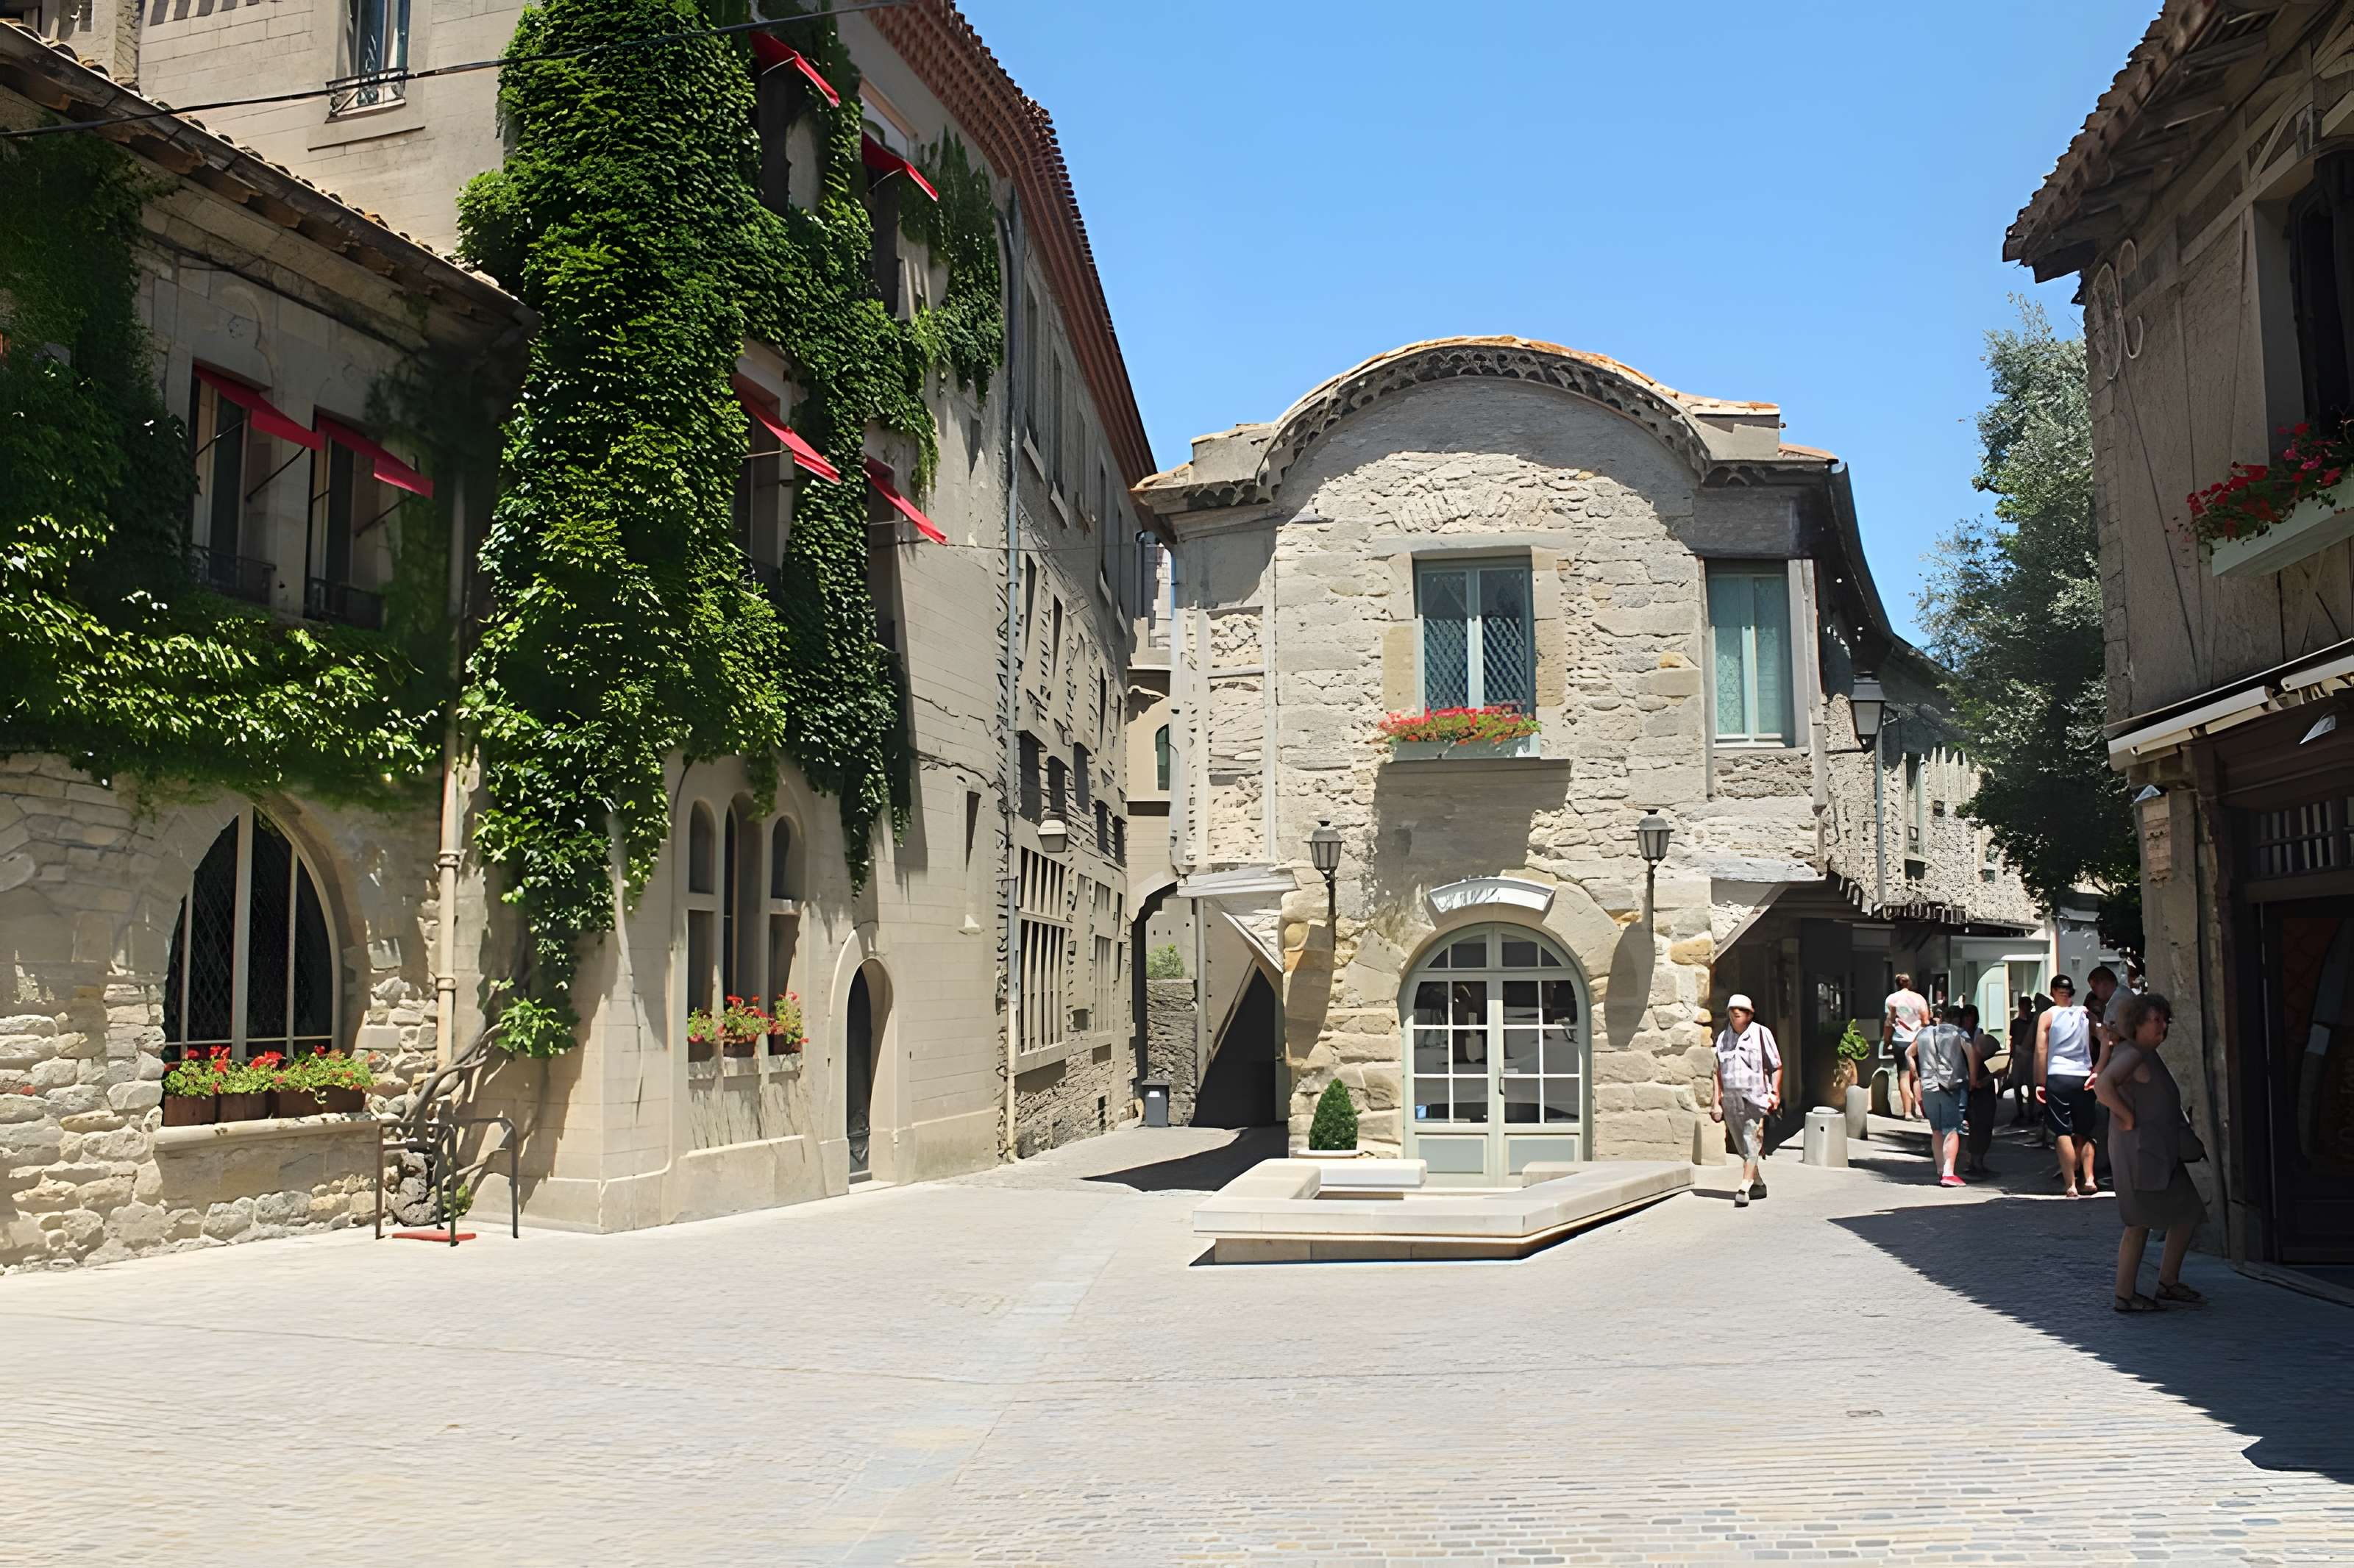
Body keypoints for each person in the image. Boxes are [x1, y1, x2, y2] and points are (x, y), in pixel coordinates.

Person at [2094, 991, 2208, 1313]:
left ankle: (2168, 1282)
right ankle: (2125, 1295)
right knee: (2138, 1223)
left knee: (2186, 1213)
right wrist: (2127, 1116)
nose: (2163, 1027)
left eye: (2164, 1020)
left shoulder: (2142, 1052)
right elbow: (2104, 1087)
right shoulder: (2134, 1055)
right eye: (2155, 1020)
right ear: (2138, 1024)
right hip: (2141, 1154)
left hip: (2159, 1152)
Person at [1710, 993, 1782, 1209]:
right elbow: (1718, 1072)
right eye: (1733, 1010)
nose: (1736, 1013)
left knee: (1753, 1139)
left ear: (1750, 1014)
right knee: (1742, 1145)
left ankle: (1745, 1185)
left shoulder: (1761, 1034)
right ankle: (1758, 1183)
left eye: (1741, 1010)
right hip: (1731, 1100)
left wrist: (1775, 1093)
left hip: (1756, 1098)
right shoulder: (1723, 1038)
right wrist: (1716, 1101)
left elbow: (1776, 1065)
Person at [2036, 974, 2100, 1197]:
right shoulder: (2085, 1013)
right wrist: (2099, 1068)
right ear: (2071, 992)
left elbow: (2041, 1050)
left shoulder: (2048, 1016)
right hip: (2083, 1076)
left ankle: (2071, 1184)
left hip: (2058, 1075)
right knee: (2085, 1131)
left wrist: (2040, 1081)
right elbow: (2105, 1036)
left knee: (2063, 1131)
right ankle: (2090, 1178)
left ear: (2053, 991)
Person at [1910, 1002, 1973, 1186]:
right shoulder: (1959, 1033)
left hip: (1929, 1085)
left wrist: (1917, 1075)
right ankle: (1949, 1172)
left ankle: (1940, 1170)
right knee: (1952, 1128)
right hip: (1950, 1085)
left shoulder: (1923, 1034)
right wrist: (1973, 1078)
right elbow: (1972, 1055)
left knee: (1936, 1130)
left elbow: (1908, 1053)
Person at [1960, 1003, 2002, 1177]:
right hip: (1974, 1088)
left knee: (1983, 1126)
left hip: (1982, 1087)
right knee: (1978, 1126)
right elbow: (1974, 1080)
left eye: (1972, 1016)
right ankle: (1974, 1162)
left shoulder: (1978, 1036)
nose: (1969, 1020)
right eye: (1966, 1016)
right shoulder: (1962, 1039)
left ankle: (1978, 1162)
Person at [1883, 972, 1929, 1119]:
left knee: (1903, 1075)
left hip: (1900, 1039)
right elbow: (1926, 1021)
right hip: (1917, 1039)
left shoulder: (1891, 999)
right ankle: (1919, 1110)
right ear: (1910, 983)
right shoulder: (1919, 999)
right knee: (1917, 1075)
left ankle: (1908, 1112)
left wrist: (1887, 1041)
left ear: (1897, 984)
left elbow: (1889, 1022)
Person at [2008, 993, 2039, 1127]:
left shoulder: (2034, 1023)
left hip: (2031, 1055)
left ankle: (2031, 1112)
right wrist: (2011, 1057)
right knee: (2017, 1085)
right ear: (2020, 1007)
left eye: (2028, 1007)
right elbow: (2013, 1041)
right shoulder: (2015, 1024)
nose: (2026, 1009)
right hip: (2019, 1056)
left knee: (2032, 1086)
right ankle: (2020, 1111)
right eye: (2024, 1007)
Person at [2087, 964, 2126, 1072]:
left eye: (2094, 988)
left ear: (2104, 984)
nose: (2093, 992)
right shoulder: (2124, 993)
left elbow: (2110, 1039)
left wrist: (2098, 1069)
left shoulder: (2115, 1004)